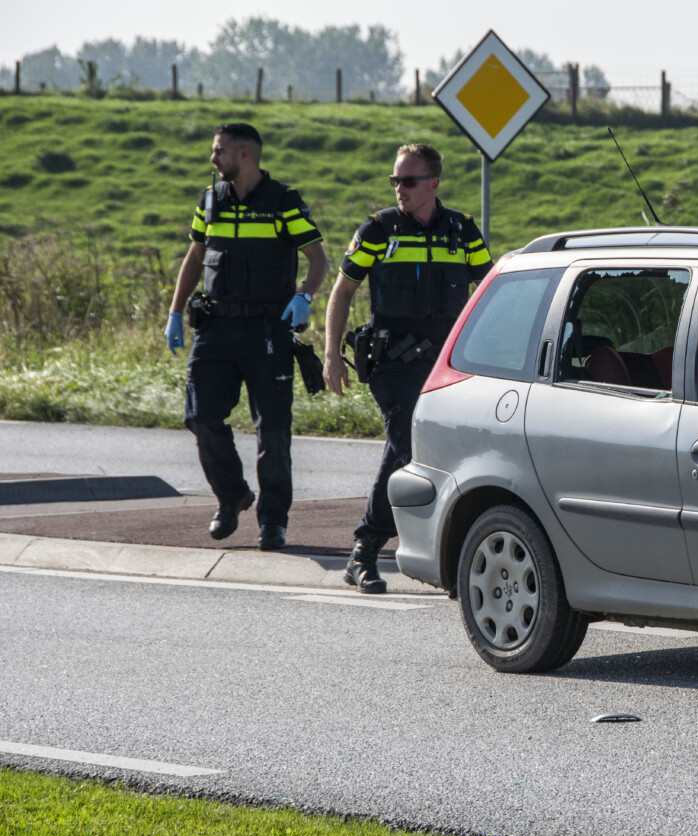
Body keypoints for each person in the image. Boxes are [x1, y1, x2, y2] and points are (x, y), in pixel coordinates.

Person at [322, 143, 492, 593]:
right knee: (416, 447)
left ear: (433, 183)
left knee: (403, 454)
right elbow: (342, 292)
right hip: (393, 364)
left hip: (448, 367)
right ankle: (430, 549)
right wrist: (331, 355)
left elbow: (487, 295)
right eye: (396, 180)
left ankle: (364, 550)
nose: (400, 188)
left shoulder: (463, 230)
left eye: (409, 181)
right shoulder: (379, 230)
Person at [165, 123, 328, 551]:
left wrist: (304, 297)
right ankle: (232, 494)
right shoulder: (210, 200)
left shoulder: (283, 201)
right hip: (215, 329)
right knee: (201, 417)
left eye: (218, 151)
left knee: (272, 431)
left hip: (267, 330)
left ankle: (273, 520)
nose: (212, 158)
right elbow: (196, 256)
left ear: (244, 155)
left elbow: (317, 259)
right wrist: (175, 312)